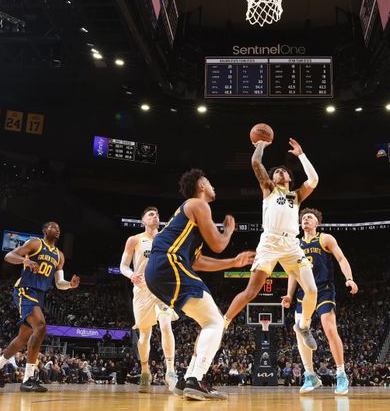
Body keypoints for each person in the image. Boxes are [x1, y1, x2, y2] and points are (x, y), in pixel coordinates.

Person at [144, 169, 238, 400]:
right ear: (202, 185)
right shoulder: (198, 204)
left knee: (211, 319)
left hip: (161, 269)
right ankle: (196, 380)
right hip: (168, 262)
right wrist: (228, 232)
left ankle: (188, 380)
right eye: (210, 182)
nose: (213, 186)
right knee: (215, 321)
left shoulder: (190, 219)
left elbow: (197, 261)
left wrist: (233, 262)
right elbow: (217, 244)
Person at [224, 138, 320, 352]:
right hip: (269, 243)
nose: (278, 173)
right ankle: (224, 322)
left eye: (282, 171)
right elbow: (256, 163)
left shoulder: (296, 195)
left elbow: (313, 179)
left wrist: (301, 155)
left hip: (291, 245)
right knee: (251, 292)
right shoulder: (269, 189)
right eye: (275, 171)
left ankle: (303, 326)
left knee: (312, 291)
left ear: (289, 178)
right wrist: (260, 144)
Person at [0, 221, 80, 392]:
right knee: (40, 326)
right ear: (45, 230)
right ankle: (28, 379)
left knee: (22, 338)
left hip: (39, 295)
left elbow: (59, 283)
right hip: (25, 289)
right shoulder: (35, 243)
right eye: (54, 227)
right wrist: (25, 261)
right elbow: (9, 256)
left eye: (59, 228)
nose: (57, 230)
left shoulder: (59, 255)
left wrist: (71, 284)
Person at [281, 207, 358, 395]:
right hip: (304, 292)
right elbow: (292, 272)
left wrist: (349, 278)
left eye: (310, 217)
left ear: (317, 223)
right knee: (299, 330)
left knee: (329, 328)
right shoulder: (295, 244)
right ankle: (310, 376)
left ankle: (341, 374)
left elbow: (341, 258)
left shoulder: (325, 238)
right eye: (303, 218)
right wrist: (289, 294)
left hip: (323, 289)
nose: (306, 219)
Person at [119, 206, 180, 393]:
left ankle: (170, 370)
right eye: (151, 215)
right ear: (143, 220)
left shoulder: (167, 239)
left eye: (157, 214)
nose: (155, 216)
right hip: (142, 290)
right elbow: (123, 265)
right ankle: (145, 370)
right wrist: (131, 275)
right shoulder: (135, 240)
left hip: (162, 289)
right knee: (144, 335)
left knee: (165, 324)